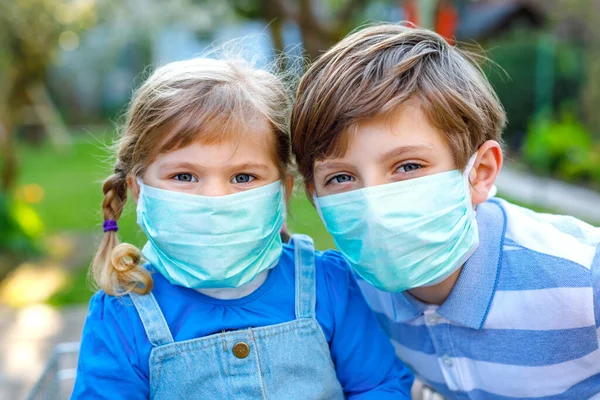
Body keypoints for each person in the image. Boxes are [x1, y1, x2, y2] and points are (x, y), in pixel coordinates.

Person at [71, 56, 413, 399]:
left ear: (281, 192)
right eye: (184, 176)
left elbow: (379, 386)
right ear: (139, 190)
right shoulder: (121, 316)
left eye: (243, 177)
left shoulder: (328, 285)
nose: (215, 199)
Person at [290, 23, 600, 399]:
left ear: (480, 172)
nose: (374, 205)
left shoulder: (584, 278)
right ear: (315, 198)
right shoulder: (354, 293)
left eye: (408, 166)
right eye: (341, 177)